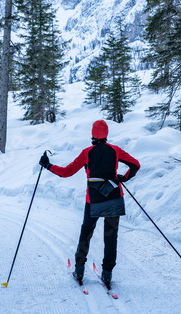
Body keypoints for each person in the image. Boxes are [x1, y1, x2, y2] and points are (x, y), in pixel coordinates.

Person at [39, 119, 140, 287]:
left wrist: (48, 165)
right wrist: (124, 178)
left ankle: (79, 270)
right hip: (114, 198)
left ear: (93, 134)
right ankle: (107, 274)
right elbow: (135, 165)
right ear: (106, 134)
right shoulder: (115, 150)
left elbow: (67, 172)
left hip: (93, 200)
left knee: (86, 232)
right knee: (111, 237)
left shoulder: (87, 152)